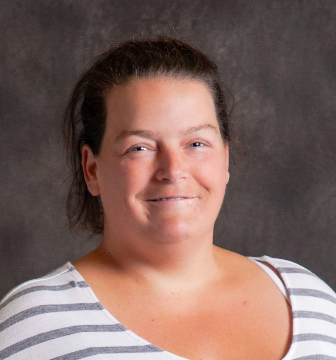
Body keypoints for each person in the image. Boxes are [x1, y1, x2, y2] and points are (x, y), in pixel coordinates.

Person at [1, 36, 335, 360]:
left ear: (226, 159)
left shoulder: (312, 303)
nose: (173, 170)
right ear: (91, 169)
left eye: (196, 143)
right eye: (140, 147)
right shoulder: (34, 325)